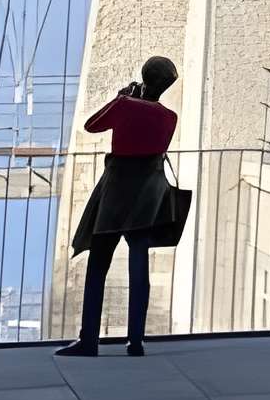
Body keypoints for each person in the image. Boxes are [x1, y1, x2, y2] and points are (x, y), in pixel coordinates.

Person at [58, 56, 186, 358]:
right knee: (139, 266)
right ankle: (136, 341)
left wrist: (121, 97)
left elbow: (92, 125)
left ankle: (89, 339)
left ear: (144, 78)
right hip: (147, 198)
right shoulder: (170, 117)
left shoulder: (126, 105)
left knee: (98, 265)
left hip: (115, 196)